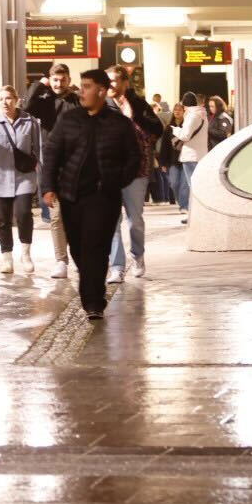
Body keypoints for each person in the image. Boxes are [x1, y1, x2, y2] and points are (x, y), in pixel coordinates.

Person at [41, 69, 141, 321]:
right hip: (72, 196)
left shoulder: (119, 123)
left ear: (101, 90)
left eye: (87, 86)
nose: (81, 91)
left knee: (96, 247)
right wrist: (48, 186)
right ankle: (92, 289)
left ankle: (93, 301)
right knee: (78, 247)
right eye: (82, 86)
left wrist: (117, 181)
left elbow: (134, 157)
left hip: (104, 196)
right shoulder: (70, 119)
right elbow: (52, 153)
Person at [106, 65, 165, 283]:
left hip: (136, 171)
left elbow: (156, 130)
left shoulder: (138, 104)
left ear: (124, 83)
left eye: (113, 81)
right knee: (111, 220)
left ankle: (137, 255)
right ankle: (117, 266)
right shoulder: (101, 105)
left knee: (134, 221)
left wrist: (133, 117)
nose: (110, 85)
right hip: (109, 172)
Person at [0, 85, 42, 274]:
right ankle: (7, 257)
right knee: (3, 220)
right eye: (2, 99)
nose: (5, 102)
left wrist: (44, 176)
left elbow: (39, 148)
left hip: (24, 177)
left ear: (16, 100)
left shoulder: (30, 121)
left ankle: (26, 253)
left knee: (23, 214)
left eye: (9, 98)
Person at [24, 62, 80, 279]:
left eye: (63, 79)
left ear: (69, 79)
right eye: (55, 79)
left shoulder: (77, 100)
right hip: (52, 165)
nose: (59, 83)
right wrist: (41, 84)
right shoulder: (44, 101)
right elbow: (28, 105)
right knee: (56, 216)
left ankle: (78, 257)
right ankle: (60, 261)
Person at [169, 90, 210, 224]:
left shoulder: (192, 116)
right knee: (197, 186)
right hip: (200, 154)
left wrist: (175, 130)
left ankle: (194, 215)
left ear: (185, 104)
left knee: (192, 186)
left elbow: (185, 135)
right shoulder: (203, 114)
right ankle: (198, 214)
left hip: (191, 155)